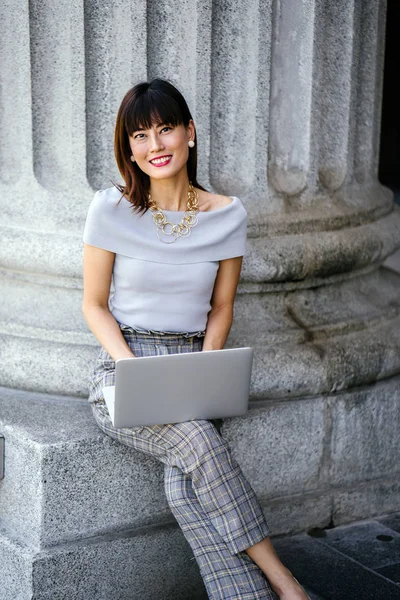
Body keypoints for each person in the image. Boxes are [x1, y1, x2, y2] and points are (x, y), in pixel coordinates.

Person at [82, 78, 310, 600]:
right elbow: (93, 305)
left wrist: (205, 378)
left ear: (190, 132)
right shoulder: (109, 209)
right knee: (201, 442)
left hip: (193, 361)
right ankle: (284, 580)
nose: (155, 146)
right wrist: (129, 367)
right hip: (125, 364)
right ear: (129, 150)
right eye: (140, 136)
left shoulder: (227, 214)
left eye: (165, 129)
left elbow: (221, 308)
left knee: (184, 489)